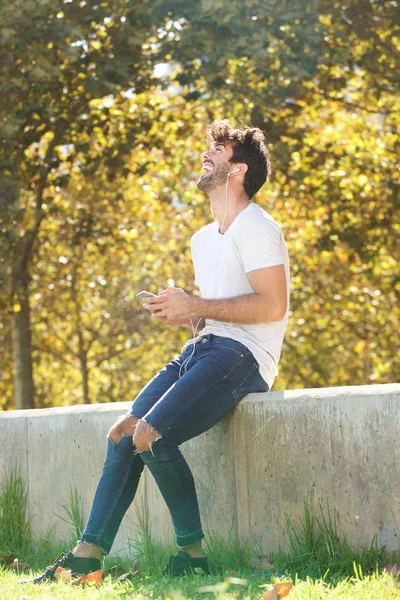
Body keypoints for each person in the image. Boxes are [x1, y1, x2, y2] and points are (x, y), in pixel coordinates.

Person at [28, 120, 290, 583]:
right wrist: (187, 314)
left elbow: (272, 306)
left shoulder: (258, 226)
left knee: (150, 435)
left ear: (238, 170)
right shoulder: (203, 238)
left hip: (244, 358)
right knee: (122, 433)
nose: (206, 154)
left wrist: (198, 305)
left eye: (218, 150)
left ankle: (193, 555)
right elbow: (219, 312)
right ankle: (85, 557)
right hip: (205, 347)